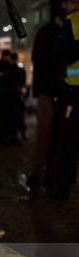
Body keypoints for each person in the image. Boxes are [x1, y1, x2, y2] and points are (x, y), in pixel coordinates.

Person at [28, 4, 65, 190]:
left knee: (48, 133)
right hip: (52, 91)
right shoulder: (53, 33)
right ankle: (42, 173)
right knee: (47, 133)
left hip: (51, 91)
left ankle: (43, 172)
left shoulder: (47, 32)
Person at [48, 0, 79, 200]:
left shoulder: (71, 22)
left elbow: (64, 56)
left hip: (74, 90)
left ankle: (63, 186)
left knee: (68, 139)